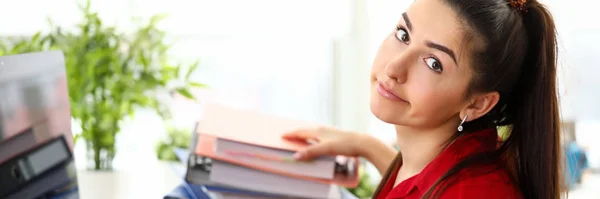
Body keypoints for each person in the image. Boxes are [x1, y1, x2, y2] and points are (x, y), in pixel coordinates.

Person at [283, 0, 561, 198]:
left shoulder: (474, 192)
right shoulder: (439, 160)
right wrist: (363, 145)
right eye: (403, 34)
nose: (394, 68)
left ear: (477, 104)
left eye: (433, 63)